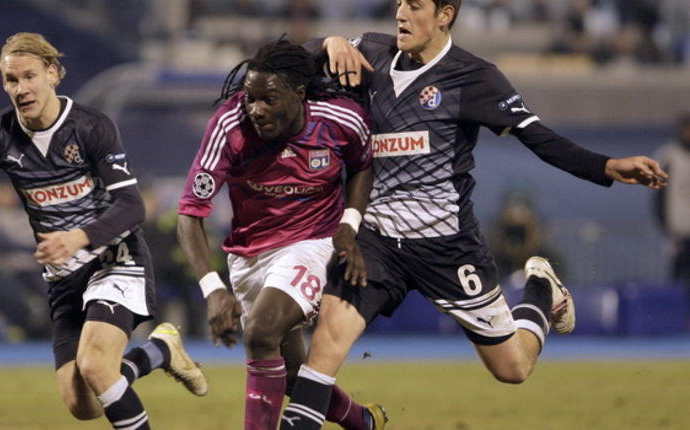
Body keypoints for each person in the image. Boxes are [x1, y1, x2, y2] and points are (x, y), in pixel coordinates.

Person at [280, 2, 669, 428]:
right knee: (325, 347)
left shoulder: (474, 77)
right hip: (376, 243)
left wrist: (606, 167)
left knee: (513, 367)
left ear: (445, 14)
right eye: (399, 2)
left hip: (447, 246)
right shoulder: (369, 52)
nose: (401, 13)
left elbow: (538, 137)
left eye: (415, 5)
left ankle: (541, 286)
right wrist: (327, 43)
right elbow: (283, 63)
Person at [0, 32, 207, 429]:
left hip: (115, 261)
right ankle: (159, 350)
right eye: (11, 80)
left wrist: (79, 237)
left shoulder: (91, 127)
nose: (21, 88)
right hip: (62, 276)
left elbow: (133, 206)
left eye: (29, 76)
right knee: (84, 404)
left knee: (95, 366)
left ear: (53, 73)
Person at [176, 38, 387, 430]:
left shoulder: (340, 118)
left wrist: (349, 224)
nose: (256, 110)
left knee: (260, 332)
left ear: (299, 94)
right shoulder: (229, 125)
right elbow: (190, 214)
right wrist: (214, 289)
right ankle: (363, 421)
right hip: (249, 255)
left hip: (312, 242)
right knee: (289, 375)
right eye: (250, 98)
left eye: (268, 99)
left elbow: (362, 166)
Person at [654, 114, 690, 291]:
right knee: (678, 275)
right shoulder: (670, 156)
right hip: (678, 228)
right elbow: (660, 195)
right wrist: (665, 224)